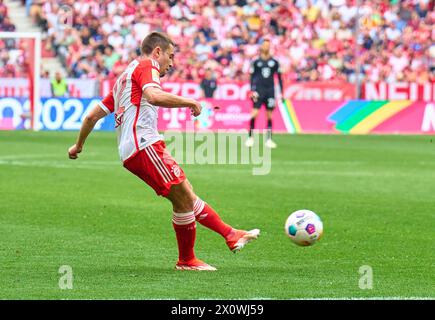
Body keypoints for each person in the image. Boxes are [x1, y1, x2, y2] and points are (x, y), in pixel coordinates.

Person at [68, 32, 259, 271]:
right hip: (143, 145)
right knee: (183, 198)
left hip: (137, 148)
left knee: (185, 192)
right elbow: (154, 96)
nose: (171, 62)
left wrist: (79, 145)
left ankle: (226, 237)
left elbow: (91, 116)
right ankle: (194, 256)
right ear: (157, 52)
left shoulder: (123, 78)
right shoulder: (147, 65)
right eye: (170, 56)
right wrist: (190, 102)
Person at [245, 38, 283, 149]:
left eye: (268, 45)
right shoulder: (256, 62)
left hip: (270, 90)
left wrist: (281, 93)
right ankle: (250, 137)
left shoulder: (275, 62)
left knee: (269, 115)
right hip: (258, 91)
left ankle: (269, 139)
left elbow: (279, 78)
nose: (266, 47)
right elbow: (252, 77)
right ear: (261, 47)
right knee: (254, 113)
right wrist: (252, 90)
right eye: (264, 45)